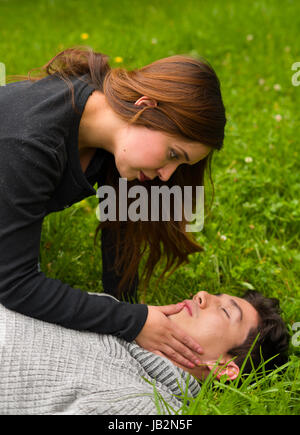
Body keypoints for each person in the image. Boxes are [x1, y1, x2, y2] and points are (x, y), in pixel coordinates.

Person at [0, 46, 226, 369]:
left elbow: (120, 242)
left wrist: (134, 315)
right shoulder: (31, 141)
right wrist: (131, 321)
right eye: (173, 155)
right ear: (145, 107)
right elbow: (14, 285)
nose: (166, 175)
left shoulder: (107, 134)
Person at [0, 290, 289, 415]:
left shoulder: (148, 406)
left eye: (225, 311)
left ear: (223, 367)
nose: (202, 295)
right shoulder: (117, 314)